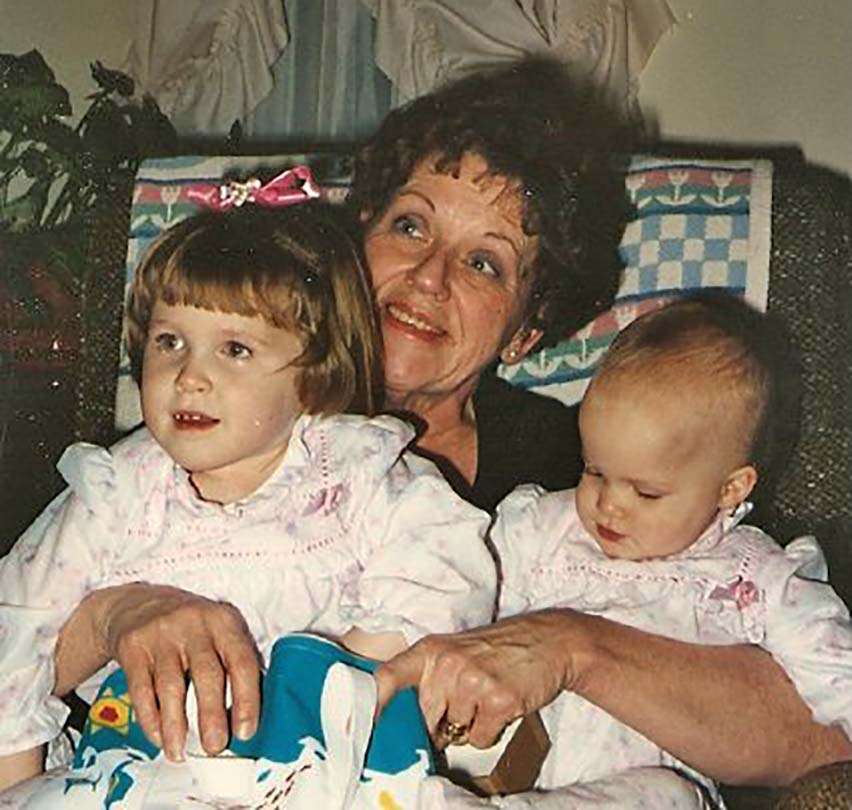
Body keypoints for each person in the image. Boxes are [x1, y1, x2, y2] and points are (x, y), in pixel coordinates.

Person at [13, 57, 851, 798]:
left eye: (484, 262)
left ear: (527, 330)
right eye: (410, 225)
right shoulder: (200, 429)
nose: (428, 276)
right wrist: (114, 617)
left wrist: (569, 648)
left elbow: (815, 741)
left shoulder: (598, 471)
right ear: (359, 238)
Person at [0, 202, 495, 795]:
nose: (189, 376)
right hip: (144, 776)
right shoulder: (116, 493)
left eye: (234, 349)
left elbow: (446, 580)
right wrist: (21, 786)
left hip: (326, 768)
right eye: (169, 342)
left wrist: (321, 688)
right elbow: (16, 636)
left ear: (313, 376)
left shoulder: (358, 476)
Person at [482, 295, 852, 807]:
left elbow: (835, 670)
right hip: (503, 770)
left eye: (646, 492)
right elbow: (469, 590)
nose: (609, 505)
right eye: (594, 471)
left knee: (666, 795)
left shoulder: (751, 578)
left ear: (730, 489)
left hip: (648, 796)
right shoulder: (546, 528)